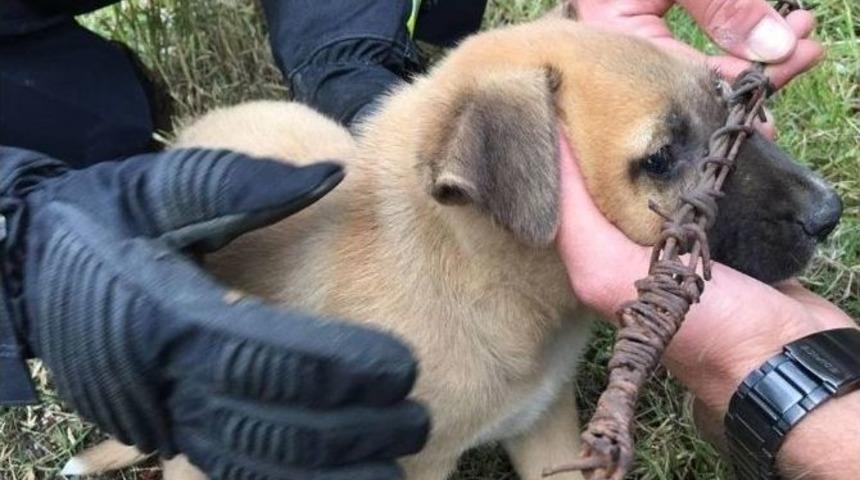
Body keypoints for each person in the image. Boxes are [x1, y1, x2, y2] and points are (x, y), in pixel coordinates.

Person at [0, 1, 856, 479]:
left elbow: (545, 404)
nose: (812, 204)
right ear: (505, 185)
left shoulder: (536, 290)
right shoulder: (422, 348)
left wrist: (344, 56)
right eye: (665, 159)